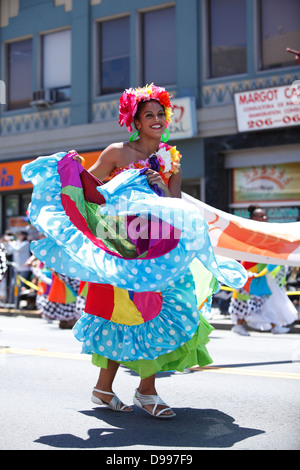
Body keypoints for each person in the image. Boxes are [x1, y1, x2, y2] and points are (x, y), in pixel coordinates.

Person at [22, 84, 247, 418]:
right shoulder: (117, 153)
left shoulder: (171, 160)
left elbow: (175, 207)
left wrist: (159, 184)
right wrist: (68, 171)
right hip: (121, 250)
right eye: (149, 116)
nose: (157, 120)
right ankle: (143, 391)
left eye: (160, 114)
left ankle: (113, 389)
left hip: (159, 251)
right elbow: (90, 190)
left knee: (165, 309)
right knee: (126, 315)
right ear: (136, 122)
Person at [229, 205, 298, 336]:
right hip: (250, 269)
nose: (264, 218)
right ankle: (240, 325)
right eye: (261, 216)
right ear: (253, 218)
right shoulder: (249, 232)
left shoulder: (266, 232)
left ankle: (274, 325)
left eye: (265, 215)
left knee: (263, 299)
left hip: (261, 269)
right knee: (249, 298)